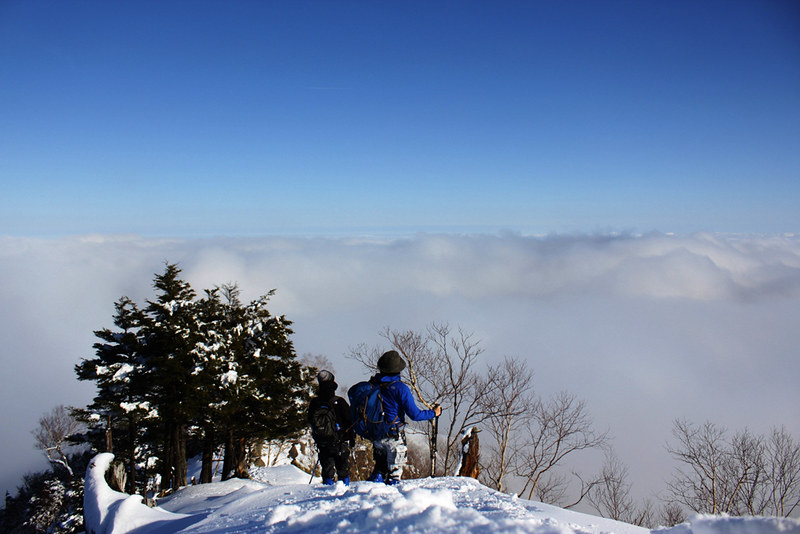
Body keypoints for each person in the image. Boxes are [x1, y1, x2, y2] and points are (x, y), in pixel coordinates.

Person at [368, 350, 442, 485]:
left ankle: (368, 501)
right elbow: (415, 415)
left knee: (379, 472)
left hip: (377, 435)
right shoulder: (400, 388)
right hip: (394, 436)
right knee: (393, 477)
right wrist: (433, 413)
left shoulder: (373, 385)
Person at [308, 370, 354, 485]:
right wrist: (351, 437)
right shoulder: (340, 401)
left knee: (327, 469)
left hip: (323, 442)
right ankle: (344, 489)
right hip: (341, 440)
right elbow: (350, 421)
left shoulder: (315, 403)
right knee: (343, 468)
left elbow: (311, 421)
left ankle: (327, 488)